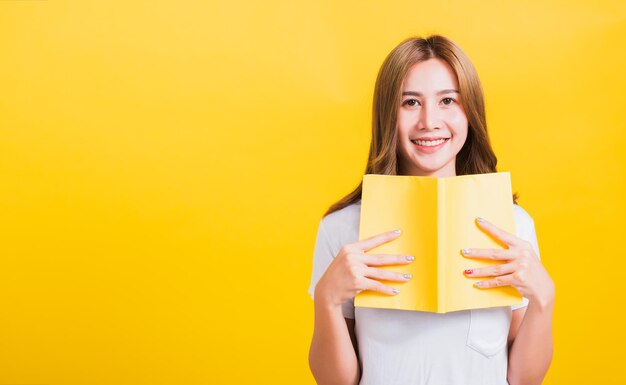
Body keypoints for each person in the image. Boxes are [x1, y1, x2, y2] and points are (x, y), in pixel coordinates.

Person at [307, 35, 555, 385]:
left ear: (470, 112)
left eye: (447, 101)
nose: (429, 121)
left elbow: (524, 380)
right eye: (410, 102)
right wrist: (327, 300)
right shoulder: (343, 228)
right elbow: (335, 382)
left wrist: (544, 299)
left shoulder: (512, 224)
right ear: (387, 115)